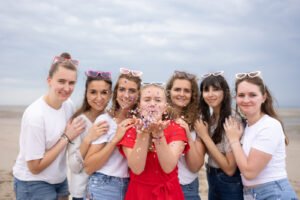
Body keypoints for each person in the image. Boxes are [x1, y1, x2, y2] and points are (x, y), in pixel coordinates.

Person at [13, 52, 86, 200]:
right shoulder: (35, 115)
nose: (67, 88)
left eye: (71, 83)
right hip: (32, 183)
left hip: (59, 179)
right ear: (49, 80)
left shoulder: (68, 105)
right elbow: (34, 167)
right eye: (61, 81)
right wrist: (66, 137)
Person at [224, 71, 298, 199]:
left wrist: (234, 140)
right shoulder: (247, 126)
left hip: (273, 193)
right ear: (236, 98)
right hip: (251, 194)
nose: (246, 100)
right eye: (241, 95)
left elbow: (249, 172)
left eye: (252, 95)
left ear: (264, 97)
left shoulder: (269, 126)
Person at [119, 83, 190, 200]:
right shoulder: (131, 129)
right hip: (139, 193)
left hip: (169, 194)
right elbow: (137, 168)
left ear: (165, 107)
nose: (152, 104)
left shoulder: (176, 128)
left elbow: (168, 167)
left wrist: (158, 134)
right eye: (147, 100)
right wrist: (144, 133)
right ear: (139, 105)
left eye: (158, 100)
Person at [84, 67, 142, 200]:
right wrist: (115, 139)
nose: (126, 95)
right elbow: (88, 166)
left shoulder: (141, 123)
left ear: (139, 94)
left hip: (131, 186)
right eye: (122, 89)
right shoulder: (105, 121)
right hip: (104, 185)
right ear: (115, 92)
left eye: (132, 90)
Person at [194, 71, 243, 200]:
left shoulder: (231, 120)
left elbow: (230, 168)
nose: (210, 94)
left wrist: (204, 136)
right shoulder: (211, 118)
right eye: (206, 90)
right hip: (211, 175)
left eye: (215, 89)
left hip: (228, 180)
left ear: (225, 92)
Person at [67, 70, 113, 200]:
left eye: (104, 92)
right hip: (82, 193)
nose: (99, 98)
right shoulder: (79, 122)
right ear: (86, 93)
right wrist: (88, 138)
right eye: (93, 92)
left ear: (111, 95)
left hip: (105, 192)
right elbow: (74, 167)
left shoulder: (111, 120)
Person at [165, 70, 205, 200]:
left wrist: (187, 133)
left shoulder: (198, 122)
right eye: (177, 89)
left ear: (192, 95)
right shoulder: (159, 117)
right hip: (161, 186)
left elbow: (194, 167)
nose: (181, 94)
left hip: (186, 189)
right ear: (169, 92)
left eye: (186, 91)